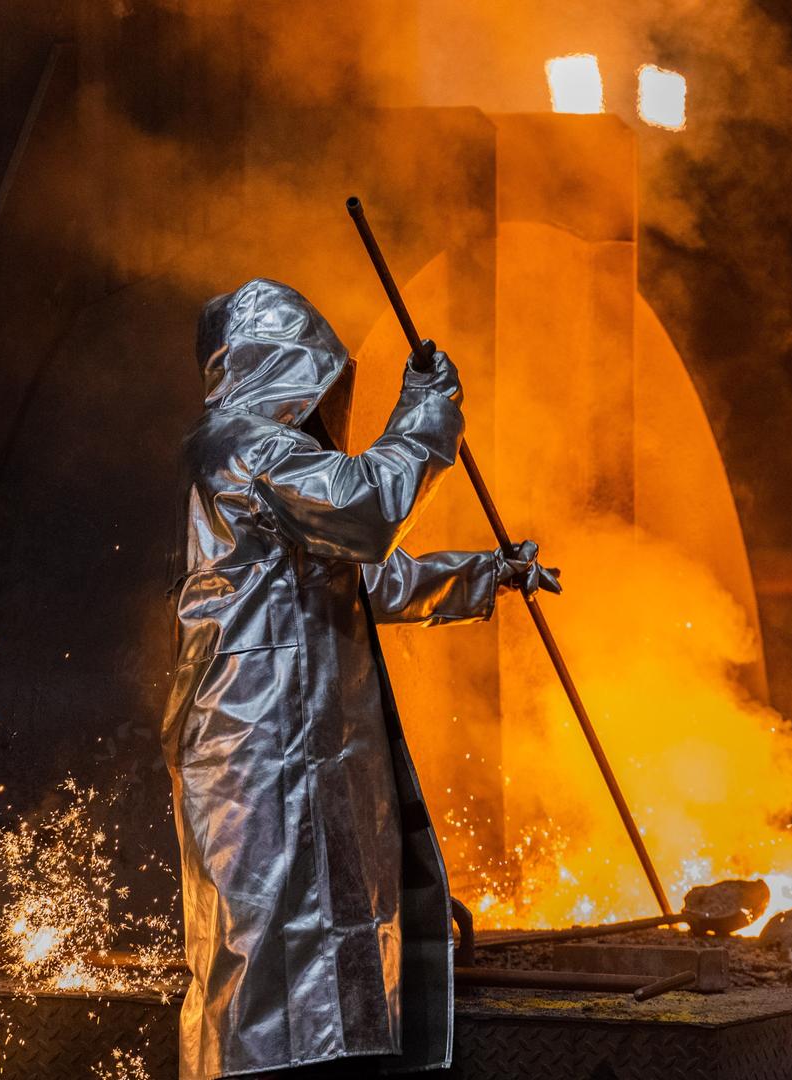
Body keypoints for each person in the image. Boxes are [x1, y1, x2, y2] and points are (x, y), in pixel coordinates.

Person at [163, 279, 557, 1079]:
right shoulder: (240, 446)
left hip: (300, 751)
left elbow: (373, 579)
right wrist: (429, 413)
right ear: (279, 367)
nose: (324, 396)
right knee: (264, 961)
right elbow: (372, 506)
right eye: (314, 373)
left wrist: (488, 574)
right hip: (257, 748)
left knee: (322, 957)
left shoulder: (276, 468)